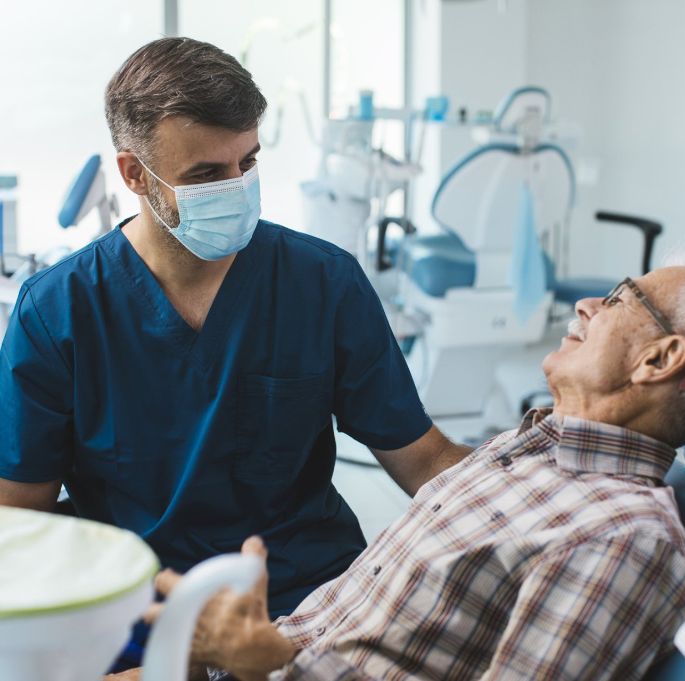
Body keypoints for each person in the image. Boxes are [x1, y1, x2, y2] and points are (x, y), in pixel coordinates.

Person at [110, 256, 685, 681]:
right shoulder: (525, 452)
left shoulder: (625, 539)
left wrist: (270, 663)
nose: (585, 305)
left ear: (659, 360)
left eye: (616, 298)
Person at [0, 36, 469, 627]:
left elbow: (423, 460)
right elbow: (18, 520)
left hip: (308, 601)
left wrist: (546, 499)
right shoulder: (58, 311)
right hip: (138, 614)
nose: (237, 187)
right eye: (206, 174)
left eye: (247, 163)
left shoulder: (322, 283)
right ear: (134, 174)